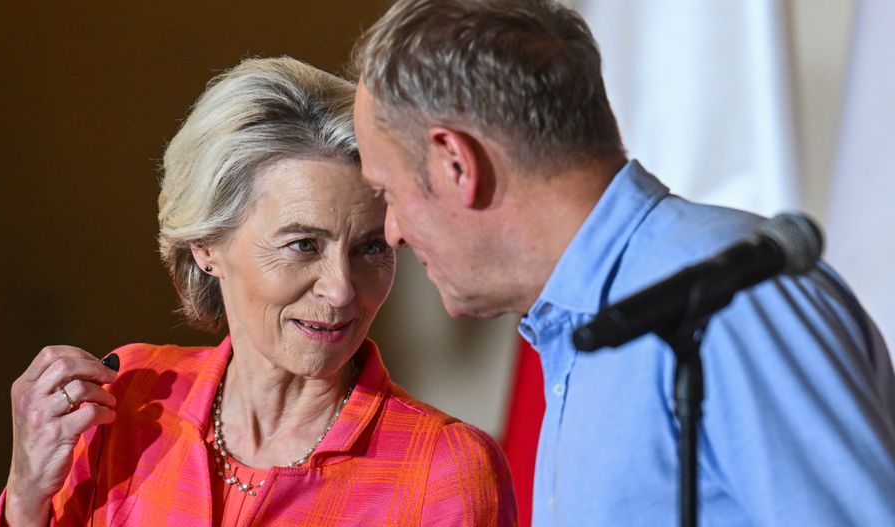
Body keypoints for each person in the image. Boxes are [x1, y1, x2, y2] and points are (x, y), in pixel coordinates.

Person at [351, 0, 895, 525]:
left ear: (455, 163)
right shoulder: (576, 322)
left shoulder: (733, 299)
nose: (393, 232)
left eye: (388, 192)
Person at [0, 57, 517, 526]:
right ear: (207, 246)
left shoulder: (444, 470)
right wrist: (25, 497)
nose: (340, 290)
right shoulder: (122, 400)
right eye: (304, 244)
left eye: (371, 248)